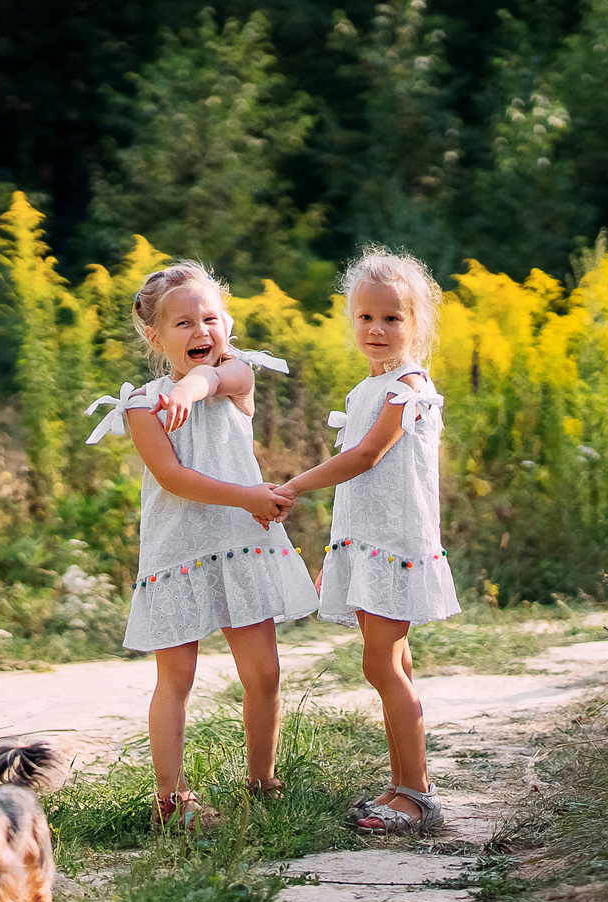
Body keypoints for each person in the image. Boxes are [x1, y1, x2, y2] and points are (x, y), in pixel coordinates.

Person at [85, 261, 319, 825]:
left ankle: (262, 781)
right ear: (155, 336)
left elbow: (216, 380)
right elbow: (174, 479)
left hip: (242, 542)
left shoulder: (237, 375)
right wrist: (247, 496)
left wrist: (193, 384)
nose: (200, 333)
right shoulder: (141, 406)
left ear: (227, 322)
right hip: (178, 550)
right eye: (183, 324)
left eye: (209, 319)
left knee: (264, 672)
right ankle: (172, 798)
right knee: (177, 678)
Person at [270, 250, 459, 833]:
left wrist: (294, 485)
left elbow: (365, 458)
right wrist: (341, 555)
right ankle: (405, 783)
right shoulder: (366, 389)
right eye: (365, 318)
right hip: (369, 544)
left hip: (395, 545)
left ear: (416, 324)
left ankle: (415, 793)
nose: (377, 330)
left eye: (393, 319)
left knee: (381, 664)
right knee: (391, 660)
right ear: (352, 320)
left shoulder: (408, 388)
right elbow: (362, 491)